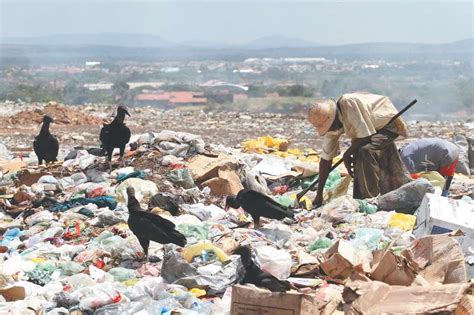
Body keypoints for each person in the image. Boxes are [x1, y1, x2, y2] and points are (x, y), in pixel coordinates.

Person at [308, 92, 412, 207]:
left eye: (331, 126)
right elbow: (326, 159)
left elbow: (365, 136)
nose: (333, 129)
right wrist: (319, 194)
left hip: (386, 125)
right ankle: (360, 198)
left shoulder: (349, 103)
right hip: (369, 130)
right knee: (357, 152)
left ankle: (370, 199)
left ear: (333, 117)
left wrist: (346, 154)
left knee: (364, 151)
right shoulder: (332, 127)